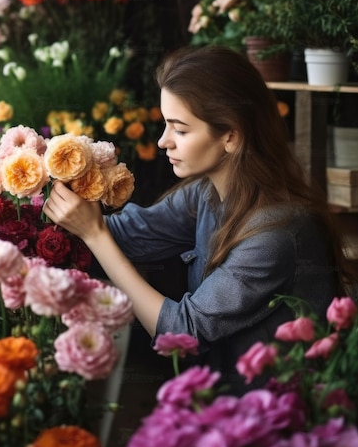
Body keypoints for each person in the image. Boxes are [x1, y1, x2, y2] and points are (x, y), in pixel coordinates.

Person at [43, 45, 355, 394]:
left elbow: (182, 333)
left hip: (279, 419)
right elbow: (130, 234)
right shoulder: (208, 193)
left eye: (180, 129)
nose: (163, 142)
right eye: (166, 124)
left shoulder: (275, 232)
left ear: (231, 136)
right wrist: (36, 205)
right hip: (223, 402)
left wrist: (94, 233)